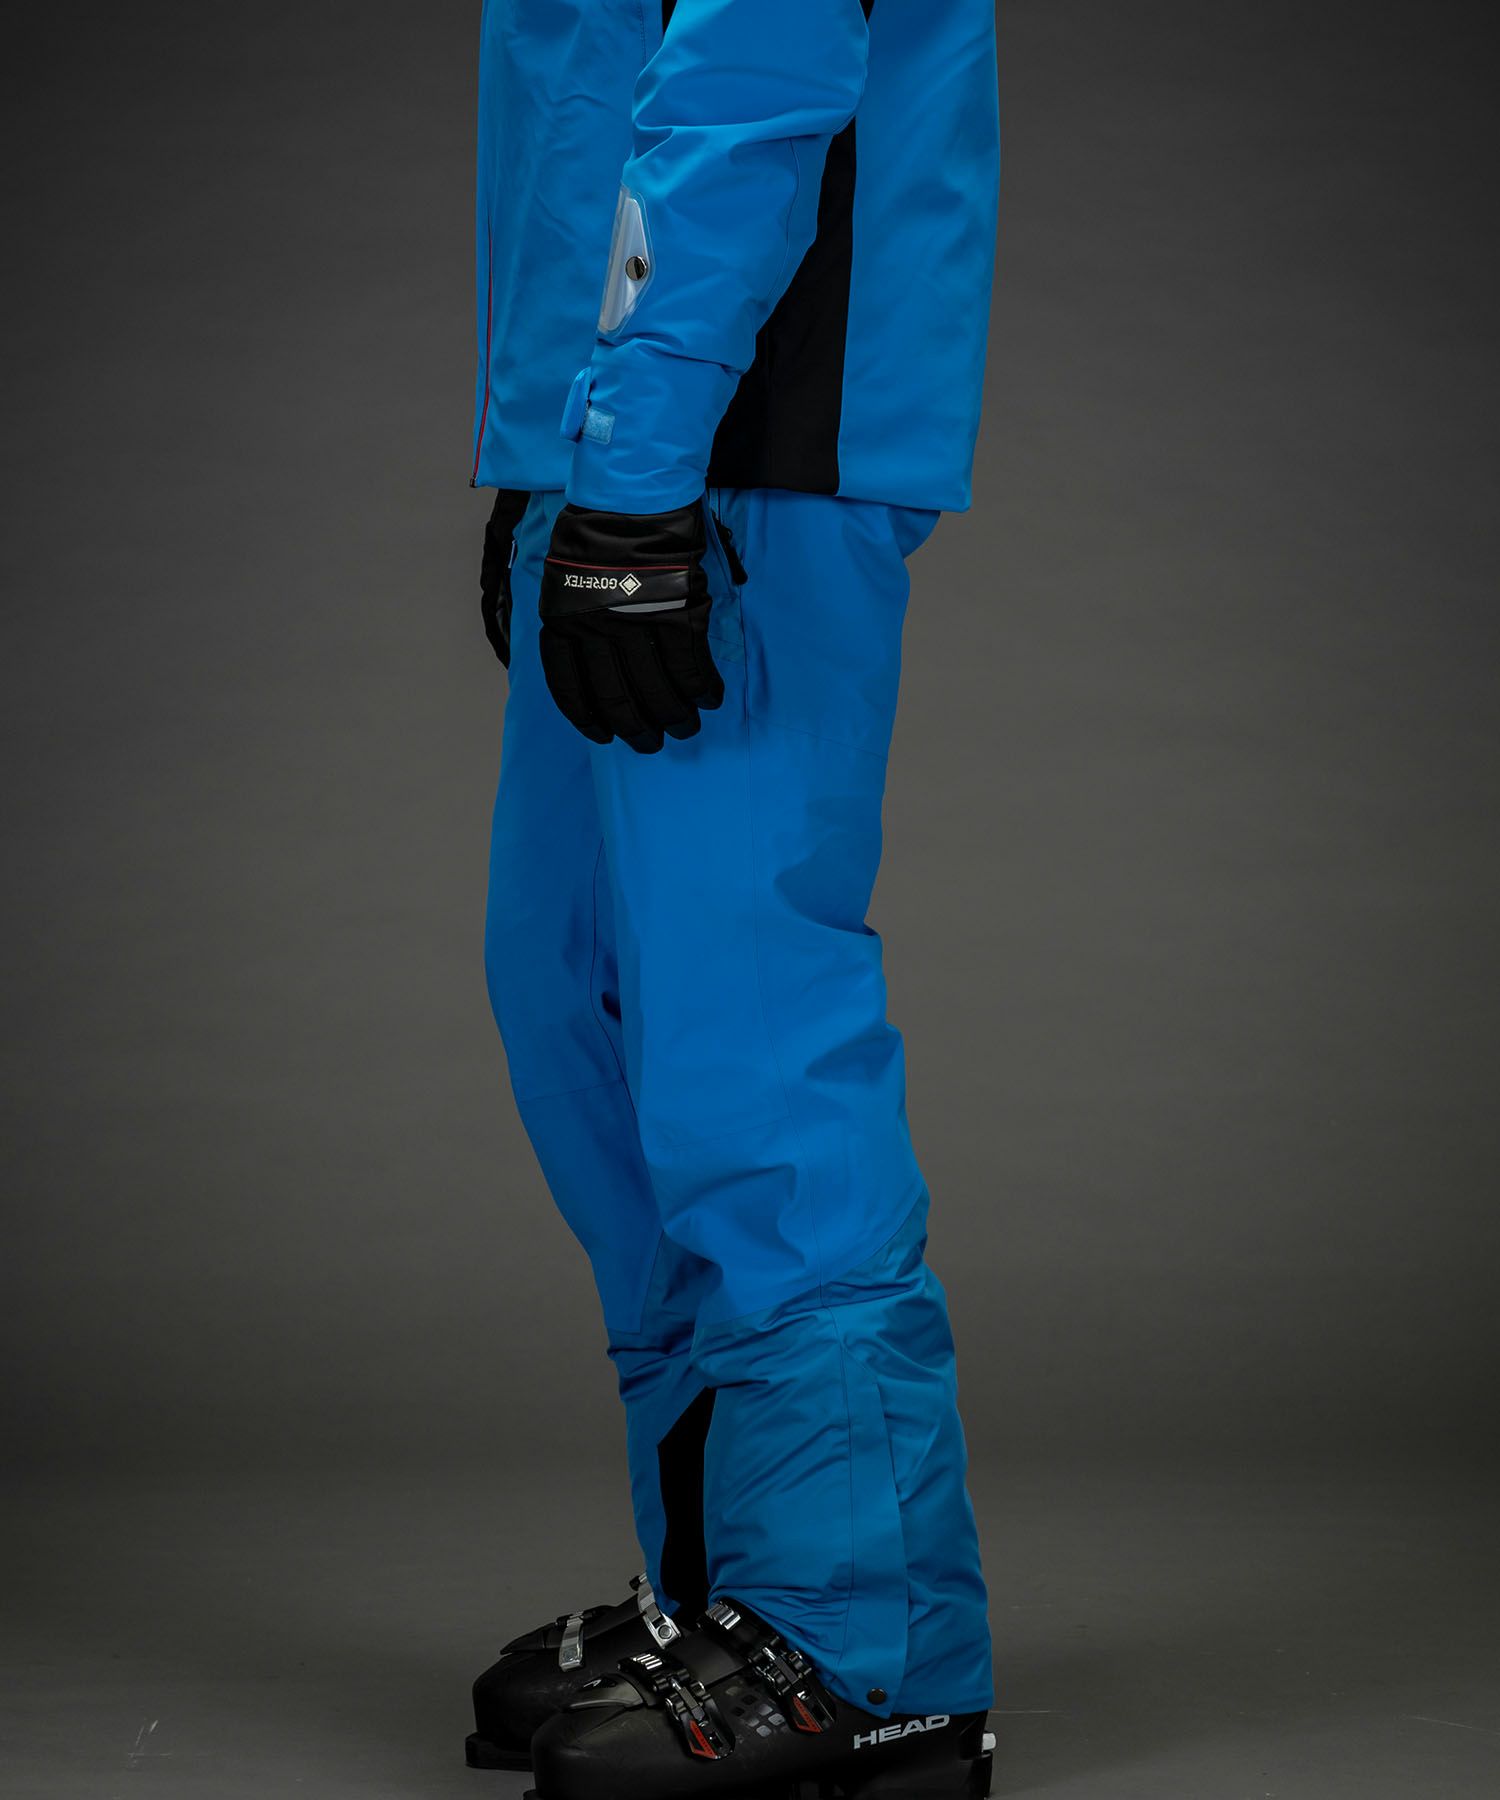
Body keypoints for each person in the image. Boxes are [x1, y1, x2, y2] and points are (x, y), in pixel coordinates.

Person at [466, 3, 1000, 1795]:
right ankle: (725, 1594)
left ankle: (865, 1648)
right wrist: (551, 455)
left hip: (742, 432)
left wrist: (633, 472)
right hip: (624, 430)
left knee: (741, 1027)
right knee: (583, 1000)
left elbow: (753, 70)